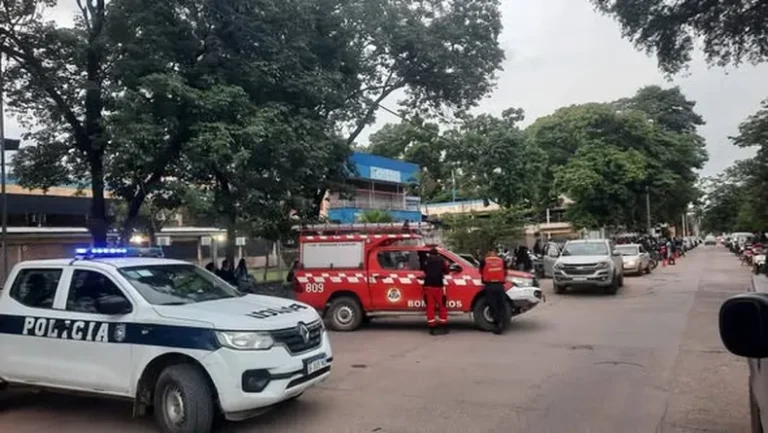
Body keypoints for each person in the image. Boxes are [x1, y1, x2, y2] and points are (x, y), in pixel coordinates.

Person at [479, 249, 508, 335]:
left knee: (493, 305)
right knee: (501, 305)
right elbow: (505, 272)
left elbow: (480, 271)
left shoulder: (484, 261)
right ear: (496, 254)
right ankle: (502, 324)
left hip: (489, 285)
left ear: (488, 254)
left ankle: (496, 324)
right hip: (500, 285)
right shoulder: (502, 261)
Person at [422, 247, 449, 335]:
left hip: (428, 286)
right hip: (438, 286)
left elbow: (424, 270)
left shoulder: (426, 260)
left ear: (429, 254)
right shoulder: (441, 260)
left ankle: (432, 327)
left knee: (430, 307)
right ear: (437, 253)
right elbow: (446, 270)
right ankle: (443, 326)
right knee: (442, 306)